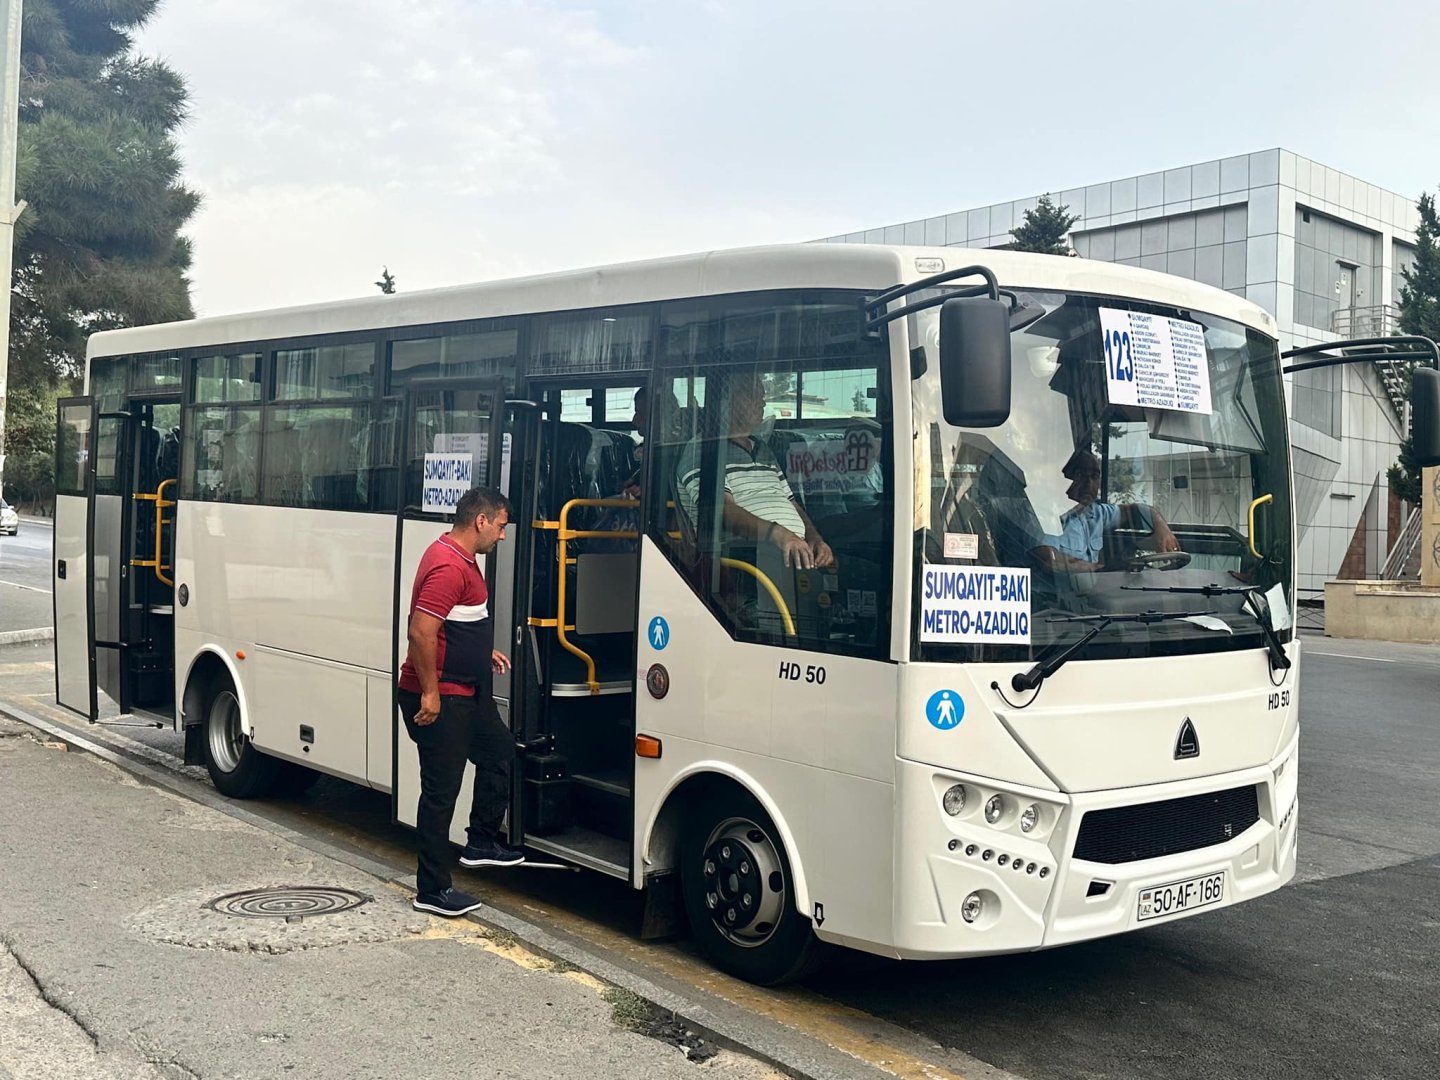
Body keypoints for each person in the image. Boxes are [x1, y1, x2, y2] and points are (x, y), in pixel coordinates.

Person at [399, 485, 522, 918]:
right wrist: (430, 692)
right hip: (442, 697)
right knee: (440, 792)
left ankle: (481, 840)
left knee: (500, 752)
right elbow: (420, 631)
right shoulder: (450, 566)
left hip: (469, 690)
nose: (503, 537)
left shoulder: (465, 560)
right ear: (481, 521)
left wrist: (478, 650)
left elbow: (452, 623)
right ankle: (432, 890)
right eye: (502, 526)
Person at [677, 371, 835, 570]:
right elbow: (721, 510)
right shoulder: (703, 449)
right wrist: (778, 535)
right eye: (752, 395)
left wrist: (814, 538)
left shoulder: (763, 450)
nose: (761, 403)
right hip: (743, 561)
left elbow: (791, 502)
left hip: (791, 551)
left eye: (761, 397)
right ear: (726, 400)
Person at [1033, 449, 1180, 572]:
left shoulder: (1097, 513)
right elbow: (1047, 559)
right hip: (1052, 599)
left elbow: (1136, 511)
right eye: (1079, 475)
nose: (1088, 483)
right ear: (1064, 478)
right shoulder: (1046, 515)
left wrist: (1161, 527)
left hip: (1088, 598)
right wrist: (1100, 571)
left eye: (1094, 477)